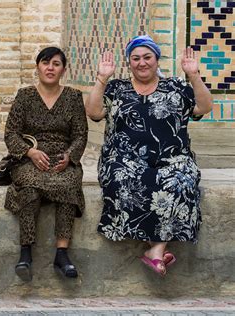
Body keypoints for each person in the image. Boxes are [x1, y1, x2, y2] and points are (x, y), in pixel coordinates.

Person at [85, 35, 213, 276]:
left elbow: (203, 107)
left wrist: (194, 76)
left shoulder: (176, 88)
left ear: (156, 60)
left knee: (183, 179)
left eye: (147, 57)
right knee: (127, 180)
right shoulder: (117, 89)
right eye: (136, 58)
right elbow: (93, 112)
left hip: (173, 159)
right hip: (123, 159)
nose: (142, 63)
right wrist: (102, 79)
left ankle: (155, 250)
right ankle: (156, 250)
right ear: (129, 62)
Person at [4, 47, 88, 282]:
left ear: (63, 69)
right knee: (29, 185)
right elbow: (11, 133)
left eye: (56, 63)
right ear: (38, 66)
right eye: (45, 62)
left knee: (69, 184)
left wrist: (69, 156)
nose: (50, 68)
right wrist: (30, 152)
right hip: (30, 160)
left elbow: (80, 135)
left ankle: (62, 254)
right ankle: (25, 253)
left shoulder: (73, 97)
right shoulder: (25, 96)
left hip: (62, 161)